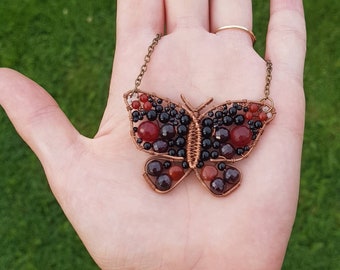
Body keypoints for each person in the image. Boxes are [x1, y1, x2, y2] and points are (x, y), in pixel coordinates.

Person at [0, 0, 306, 269]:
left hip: (168, 163)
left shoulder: (157, 115)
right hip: (216, 165)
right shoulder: (232, 121)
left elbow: (143, 111)